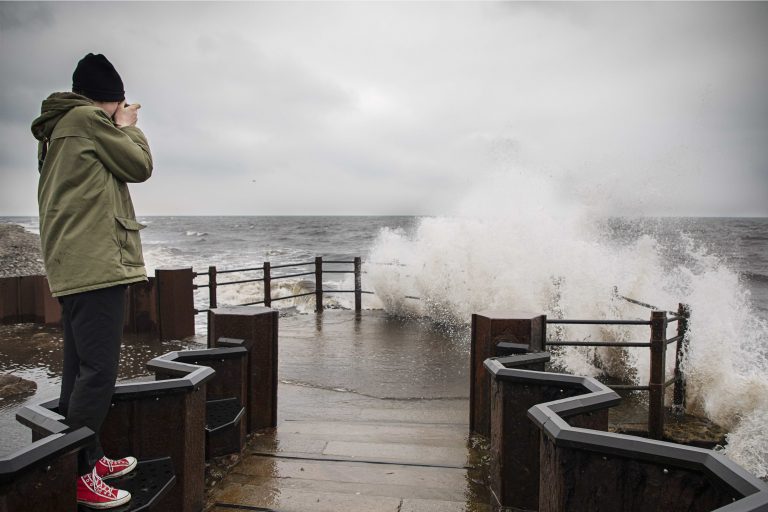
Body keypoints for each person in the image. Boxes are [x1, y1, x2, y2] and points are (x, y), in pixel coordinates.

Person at [31, 53, 153, 509]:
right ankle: (81, 473)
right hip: (95, 264)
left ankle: (87, 455)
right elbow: (139, 166)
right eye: (118, 102)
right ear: (109, 99)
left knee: (79, 370)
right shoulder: (87, 118)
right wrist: (127, 124)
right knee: (99, 372)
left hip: (73, 264)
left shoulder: (59, 127)